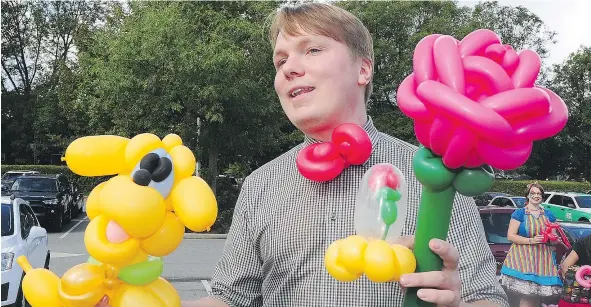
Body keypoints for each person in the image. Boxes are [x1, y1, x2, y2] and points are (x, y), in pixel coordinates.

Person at [97, 2, 508, 307]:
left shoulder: (433, 173)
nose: (290, 68)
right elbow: (230, 297)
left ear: (363, 69)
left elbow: (484, 296)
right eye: (281, 60)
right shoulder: (261, 183)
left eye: (312, 50)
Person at [500, 182, 563, 307]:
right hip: (523, 260)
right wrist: (531, 240)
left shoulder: (549, 215)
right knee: (527, 296)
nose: (536, 196)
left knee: (536, 297)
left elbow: (553, 237)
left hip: (542, 261)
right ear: (527, 196)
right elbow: (511, 236)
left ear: (542, 197)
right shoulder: (519, 213)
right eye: (533, 193)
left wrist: (554, 240)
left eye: (539, 194)